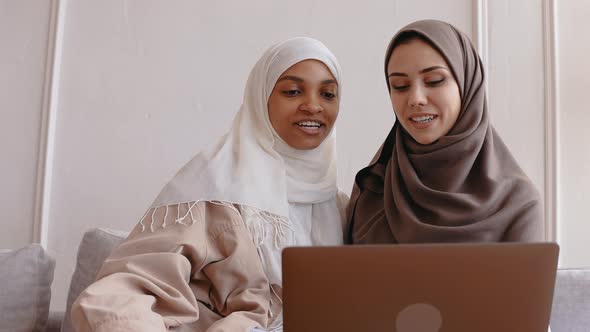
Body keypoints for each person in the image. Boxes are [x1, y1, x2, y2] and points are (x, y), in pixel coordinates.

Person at [71, 37, 347, 332]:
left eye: (328, 94)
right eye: (292, 91)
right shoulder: (213, 191)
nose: (313, 106)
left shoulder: (343, 207)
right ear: (261, 97)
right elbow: (118, 295)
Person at [347, 19, 543, 244]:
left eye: (434, 81)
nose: (416, 99)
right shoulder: (374, 188)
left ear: (467, 85)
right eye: (400, 86)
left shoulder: (516, 202)